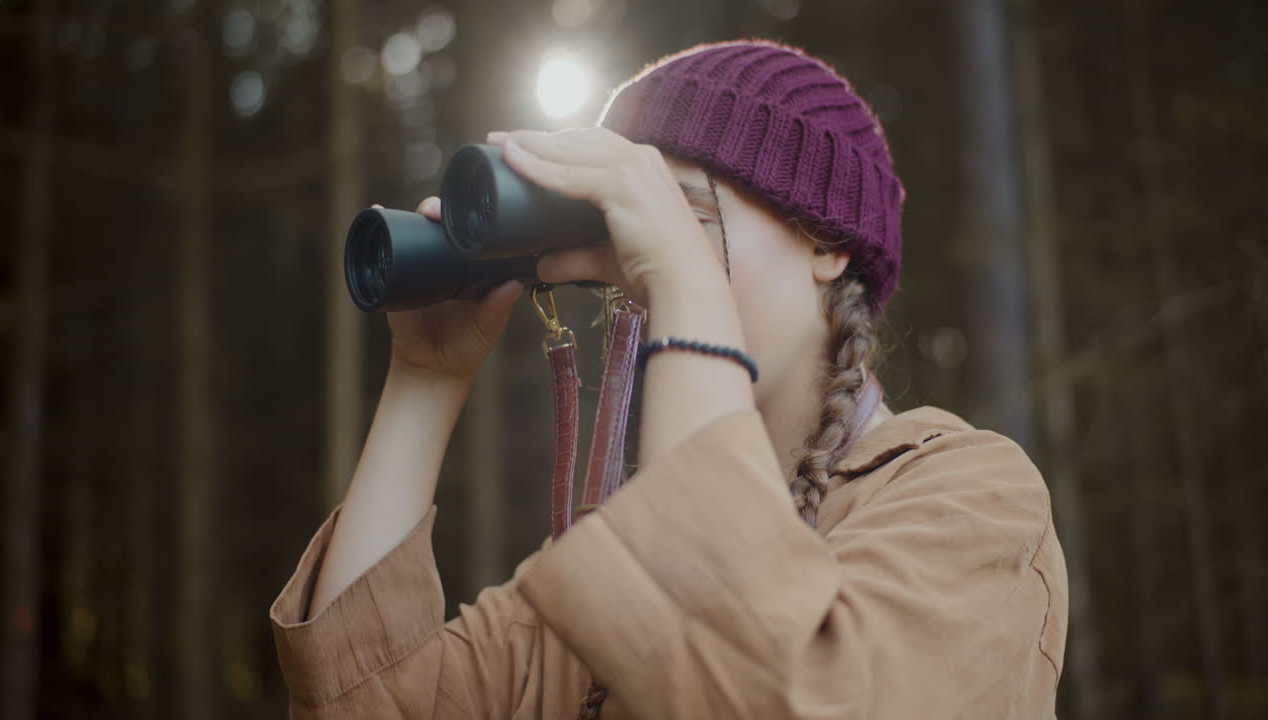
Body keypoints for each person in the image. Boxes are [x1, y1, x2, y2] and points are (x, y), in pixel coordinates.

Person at [270, 40, 1068, 719]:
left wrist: (685, 280)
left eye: (685, 219)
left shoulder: (973, 501)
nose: (642, 276)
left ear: (827, 245)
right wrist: (426, 380)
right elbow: (363, 702)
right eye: (623, 239)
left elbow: (780, 694)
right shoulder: (614, 570)